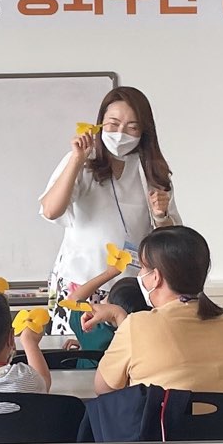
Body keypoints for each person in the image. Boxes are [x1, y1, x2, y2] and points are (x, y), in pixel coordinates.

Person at [40, 86, 178, 333]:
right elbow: (51, 211)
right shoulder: (82, 161)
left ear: (144, 131)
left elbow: (172, 239)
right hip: (79, 283)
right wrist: (77, 160)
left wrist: (161, 216)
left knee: (127, 351)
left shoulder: (151, 170)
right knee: (76, 350)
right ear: (100, 124)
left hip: (132, 290)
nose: (120, 133)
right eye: (113, 124)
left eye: (132, 127)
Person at [95, 226, 223, 395]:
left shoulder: (137, 325)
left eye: (142, 267)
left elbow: (103, 389)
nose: (139, 274)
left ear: (156, 277)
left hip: (163, 414)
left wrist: (120, 318)